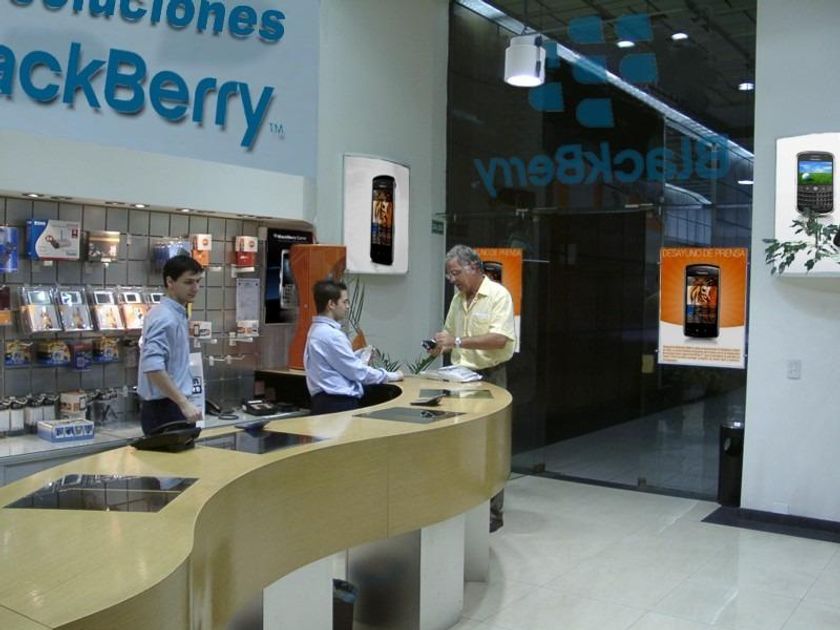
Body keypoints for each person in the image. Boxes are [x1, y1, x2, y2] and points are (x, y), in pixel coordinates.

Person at [431, 244, 516, 532]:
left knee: (491, 445)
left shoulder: (498, 296)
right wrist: (440, 344)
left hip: (490, 378)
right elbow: (449, 333)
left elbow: (499, 339)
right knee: (462, 443)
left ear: (474, 268)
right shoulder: (458, 299)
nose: (452, 279)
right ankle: (464, 505)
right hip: (461, 377)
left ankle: (492, 513)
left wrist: (456, 342)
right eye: (449, 274)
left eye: (456, 273)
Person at [305, 279, 403, 414]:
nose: (347, 307)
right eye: (344, 302)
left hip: (325, 402)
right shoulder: (332, 335)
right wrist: (392, 376)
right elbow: (357, 372)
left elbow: (337, 364)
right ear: (331, 304)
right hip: (338, 405)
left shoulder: (315, 330)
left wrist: (357, 356)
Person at [137, 255, 204, 435]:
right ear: (170, 282)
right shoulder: (164, 317)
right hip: (165, 409)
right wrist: (183, 403)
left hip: (172, 406)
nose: (195, 288)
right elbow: (152, 367)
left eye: (198, 281)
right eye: (188, 282)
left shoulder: (176, 314)